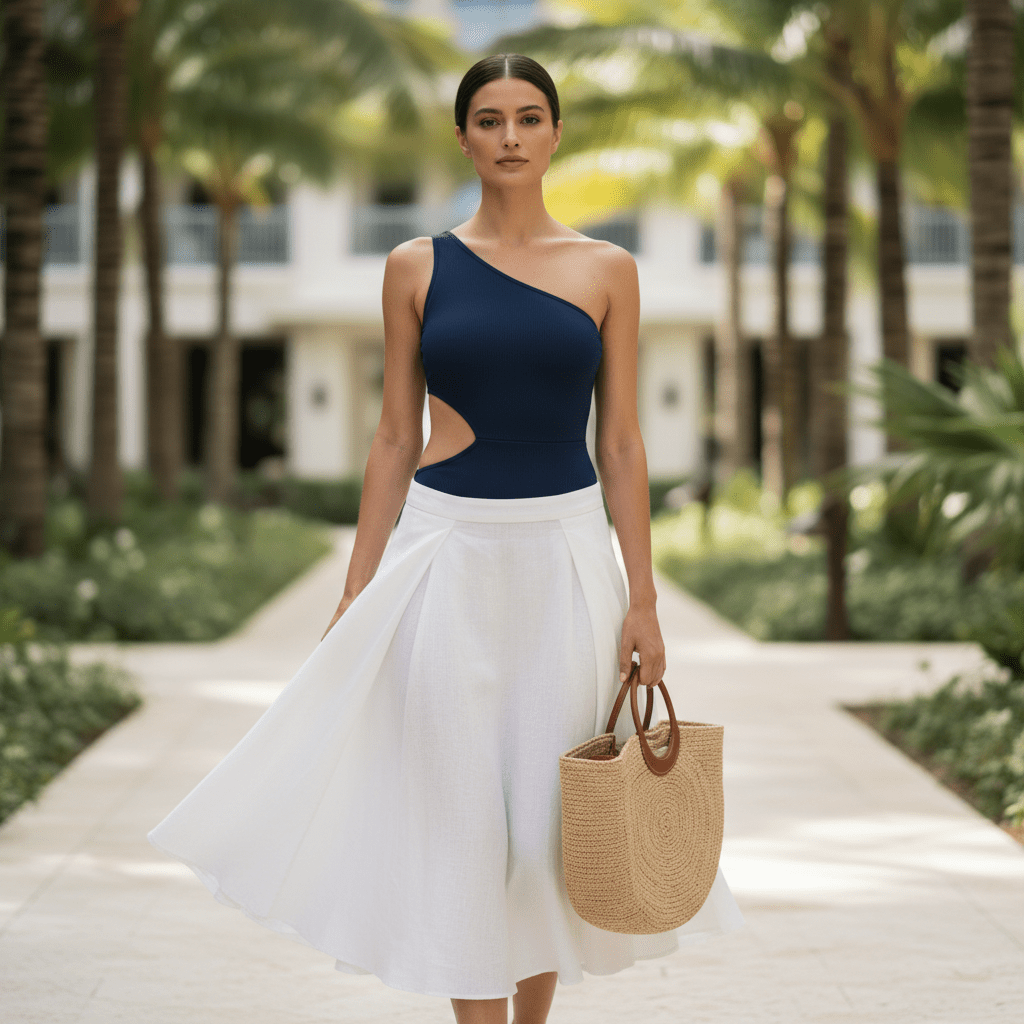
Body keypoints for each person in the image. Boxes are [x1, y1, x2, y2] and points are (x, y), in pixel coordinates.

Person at [148, 52, 744, 1024]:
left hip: (563, 559)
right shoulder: (414, 266)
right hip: (443, 556)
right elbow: (392, 433)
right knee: (464, 817)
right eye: (488, 118)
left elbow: (623, 441)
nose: (509, 135)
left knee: (553, 819)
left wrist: (642, 598)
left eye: (528, 116)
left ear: (555, 133)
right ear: (462, 136)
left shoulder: (607, 270)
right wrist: (354, 589)